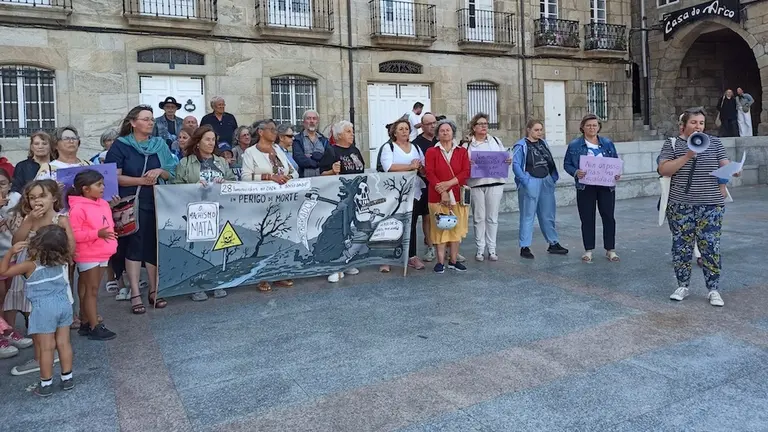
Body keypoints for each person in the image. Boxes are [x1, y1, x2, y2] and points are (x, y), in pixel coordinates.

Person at [658, 107, 738, 307]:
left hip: (710, 205)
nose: (698, 126)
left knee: (710, 247)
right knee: (681, 247)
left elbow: (724, 165)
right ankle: (682, 285)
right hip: (680, 205)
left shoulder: (715, 143)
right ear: (683, 125)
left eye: (701, 123)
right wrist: (687, 155)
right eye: (694, 122)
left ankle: (713, 289)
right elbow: (664, 169)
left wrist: (733, 171)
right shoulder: (673, 144)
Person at [106, 105, 177, 314]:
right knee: (134, 246)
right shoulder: (120, 146)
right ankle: (135, 293)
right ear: (133, 122)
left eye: (152, 119)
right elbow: (113, 176)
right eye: (145, 119)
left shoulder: (159, 144)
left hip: (156, 201)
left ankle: (154, 291)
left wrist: (160, 170)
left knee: (153, 246)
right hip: (130, 203)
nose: (150, 122)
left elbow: (171, 172)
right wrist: (141, 180)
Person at [5, 179, 75, 377]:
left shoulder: (61, 220)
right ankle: (41, 355)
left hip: (52, 274)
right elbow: (16, 240)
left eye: (42, 196)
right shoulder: (30, 218)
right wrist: (28, 221)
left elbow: (71, 246)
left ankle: (46, 354)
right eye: (32, 197)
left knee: (50, 314)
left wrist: (64, 259)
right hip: (28, 271)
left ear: (53, 197)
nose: (37, 201)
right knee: (31, 312)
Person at [0, 225, 75, 397]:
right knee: (64, 343)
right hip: (63, 304)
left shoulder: (30, 266)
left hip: (43, 309)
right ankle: (67, 378)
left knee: (46, 348)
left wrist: (11, 252)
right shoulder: (63, 260)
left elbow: (3, 271)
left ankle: (46, 383)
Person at [174, 125, 236, 301]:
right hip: (197, 212)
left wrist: (224, 182)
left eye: (213, 139)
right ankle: (197, 284)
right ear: (198, 142)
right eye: (207, 139)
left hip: (219, 210)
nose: (211, 143)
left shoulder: (221, 161)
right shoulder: (185, 163)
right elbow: (175, 186)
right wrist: (192, 187)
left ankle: (215, 281)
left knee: (218, 246)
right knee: (199, 248)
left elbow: (232, 181)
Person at [241, 119, 296, 292]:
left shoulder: (279, 150)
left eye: (275, 129)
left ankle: (279, 272)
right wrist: (268, 177)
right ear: (261, 132)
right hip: (262, 203)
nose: (274, 132)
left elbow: (292, 171)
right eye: (271, 129)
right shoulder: (250, 152)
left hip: (282, 200)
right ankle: (262, 275)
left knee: (282, 235)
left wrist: (289, 179)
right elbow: (245, 177)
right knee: (263, 238)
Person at [67, 170, 118, 340]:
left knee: (89, 288)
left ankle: (86, 322)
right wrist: (97, 234)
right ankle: (95, 326)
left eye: (103, 183)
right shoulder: (78, 208)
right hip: (88, 253)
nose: (103, 187)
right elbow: (74, 235)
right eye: (99, 184)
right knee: (91, 289)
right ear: (85, 189)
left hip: (103, 250)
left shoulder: (103, 203)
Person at [564, 114, 621, 263]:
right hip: (585, 186)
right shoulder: (575, 145)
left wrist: (616, 174)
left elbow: (615, 161)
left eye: (595, 125)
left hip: (606, 186)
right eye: (589, 125)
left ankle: (610, 249)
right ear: (583, 127)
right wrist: (576, 172)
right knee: (587, 218)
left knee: (608, 217)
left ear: (599, 127)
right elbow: (567, 164)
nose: (592, 128)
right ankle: (588, 250)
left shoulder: (607, 143)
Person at [512, 120, 569, 259]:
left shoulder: (543, 143)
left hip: (545, 180)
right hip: (530, 180)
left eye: (540, 130)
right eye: (536, 130)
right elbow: (516, 165)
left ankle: (553, 242)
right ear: (528, 130)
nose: (539, 132)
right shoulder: (521, 145)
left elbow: (549, 160)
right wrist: (525, 181)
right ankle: (525, 246)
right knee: (528, 215)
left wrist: (552, 178)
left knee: (548, 214)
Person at [318, 120, 365, 283]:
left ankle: (348, 261)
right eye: (348, 131)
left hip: (355, 199)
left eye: (352, 131)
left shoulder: (355, 150)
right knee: (339, 230)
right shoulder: (331, 151)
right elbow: (321, 174)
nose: (352, 134)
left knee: (351, 230)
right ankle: (334, 266)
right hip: (340, 200)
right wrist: (332, 171)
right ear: (338, 135)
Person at [379, 118, 426, 273]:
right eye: (401, 129)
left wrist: (420, 168)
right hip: (395, 193)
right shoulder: (389, 147)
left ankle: (411, 256)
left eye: (406, 128)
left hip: (413, 191)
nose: (405, 131)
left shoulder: (416, 147)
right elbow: (388, 167)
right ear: (394, 132)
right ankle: (387, 258)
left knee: (411, 225)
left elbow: (422, 166)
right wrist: (409, 166)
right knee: (391, 223)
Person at [425, 119, 470, 273]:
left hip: (457, 194)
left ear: (453, 132)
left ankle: (454, 260)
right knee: (440, 228)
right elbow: (430, 173)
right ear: (437, 134)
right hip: (437, 196)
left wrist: (449, 184)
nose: (445, 132)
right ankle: (440, 262)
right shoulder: (432, 152)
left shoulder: (461, 151)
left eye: (448, 130)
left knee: (455, 229)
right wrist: (442, 191)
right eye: (442, 130)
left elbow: (465, 171)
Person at [465, 113, 510, 262]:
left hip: (495, 182)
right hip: (476, 184)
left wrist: (507, 160)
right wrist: (468, 164)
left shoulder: (496, 141)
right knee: (478, 217)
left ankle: (492, 248)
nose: (484, 126)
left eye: (486, 123)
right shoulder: (467, 145)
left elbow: (503, 158)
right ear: (474, 127)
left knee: (492, 217)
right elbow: (462, 162)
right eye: (480, 124)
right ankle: (480, 248)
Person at [0, 168, 21, 359]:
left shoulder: (15, 200)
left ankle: (9, 331)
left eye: (3, 184)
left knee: (9, 295)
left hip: (10, 253)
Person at [411, 112, 438, 262]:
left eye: (434, 122)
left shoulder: (440, 139)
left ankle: (447, 246)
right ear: (422, 126)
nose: (432, 126)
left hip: (441, 183)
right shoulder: (416, 143)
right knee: (427, 216)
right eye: (428, 124)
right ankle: (430, 246)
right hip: (425, 183)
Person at [292, 110, 330, 178]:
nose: (312, 121)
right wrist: (318, 161)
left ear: (317, 122)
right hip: (304, 180)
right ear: (303, 122)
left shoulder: (324, 140)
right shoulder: (297, 139)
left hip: (323, 180)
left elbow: (328, 159)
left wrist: (310, 157)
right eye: (308, 118)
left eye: (314, 118)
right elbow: (300, 159)